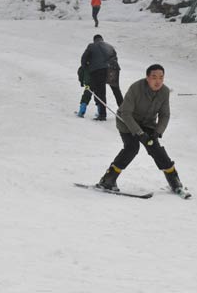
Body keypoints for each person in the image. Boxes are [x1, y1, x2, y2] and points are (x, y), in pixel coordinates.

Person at [97, 64, 186, 195]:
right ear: (147, 78)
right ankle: (108, 180)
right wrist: (139, 133)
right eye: (154, 77)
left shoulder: (164, 91)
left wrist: (158, 132)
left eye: (161, 77)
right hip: (127, 122)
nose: (158, 81)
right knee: (131, 148)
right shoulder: (136, 88)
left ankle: (174, 181)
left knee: (156, 150)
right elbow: (126, 112)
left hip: (148, 124)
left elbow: (164, 114)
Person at [80, 34, 121, 120]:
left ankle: (102, 115)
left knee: (101, 92)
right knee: (116, 91)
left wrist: (86, 68)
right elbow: (115, 57)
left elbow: (84, 59)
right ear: (102, 39)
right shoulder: (109, 46)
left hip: (99, 70)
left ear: (94, 40)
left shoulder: (91, 46)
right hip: (113, 69)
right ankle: (124, 112)